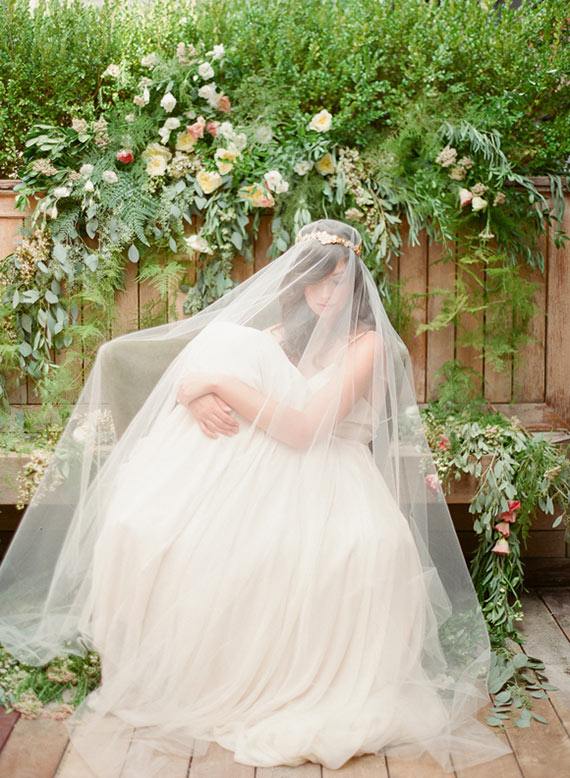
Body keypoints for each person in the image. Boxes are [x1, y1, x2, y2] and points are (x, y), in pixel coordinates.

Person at [0, 219, 511, 776]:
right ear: (298, 283)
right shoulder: (280, 337)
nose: (326, 293)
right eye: (316, 280)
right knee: (224, 346)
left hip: (331, 468)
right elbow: (219, 384)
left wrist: (218, 386)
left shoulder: (368, 345)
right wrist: (195, 396)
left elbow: (304, 429)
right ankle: (166, 553)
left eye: (338, 281)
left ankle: (275, 673)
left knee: (230, 357)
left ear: (356, 284)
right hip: (272, 464)